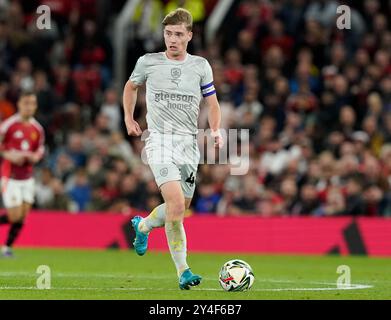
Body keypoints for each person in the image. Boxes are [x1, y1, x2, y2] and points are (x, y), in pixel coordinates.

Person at [123, 8, 223, 290]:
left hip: (188, 145)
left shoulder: (201, 66)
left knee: (178, 208)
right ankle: (184, 272)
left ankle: (143, 226)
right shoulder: (148, 62)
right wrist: (129, 118)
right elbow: (130, 87)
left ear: (189, 35)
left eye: (179, 34)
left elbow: (212, 103)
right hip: (159, 142)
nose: (172, 39)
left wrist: (215, 130)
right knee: (177, 206)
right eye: (168, 34)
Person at [0, 91, 45, 257]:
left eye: (32, 103)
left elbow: (40, 149)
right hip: (10, 176)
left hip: (27, 177)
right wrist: (8, 155)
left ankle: (7, 248)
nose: (28, 106)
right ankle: (6, 248)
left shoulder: (37, 129)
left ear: (35, 106)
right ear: (19, 104)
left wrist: (35, 157)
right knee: (14, 215)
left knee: (22, 217)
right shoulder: (8, 125)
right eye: (25, 103)